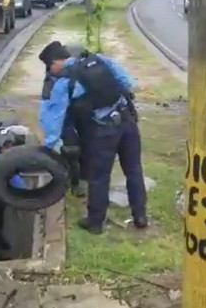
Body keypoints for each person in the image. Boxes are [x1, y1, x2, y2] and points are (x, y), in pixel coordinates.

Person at [38, 41, 146, 235]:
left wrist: (49, 145)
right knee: (134, 170)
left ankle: (95, 223)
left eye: (50, 67)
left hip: (103, 131)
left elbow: (53, 117)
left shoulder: (64, 81)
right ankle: (140, 216)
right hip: (127, 122)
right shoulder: (99, 59)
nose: (51, 71)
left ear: (55, 62)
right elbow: (126, 81)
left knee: (99, 177)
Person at [42, 70, 87, 197]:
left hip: (69, 120)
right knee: (72, 152)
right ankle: (74, 184)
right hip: (71, 119)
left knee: (71, 152)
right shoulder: (73, 79)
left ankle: (74, 183)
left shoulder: (55, 81)